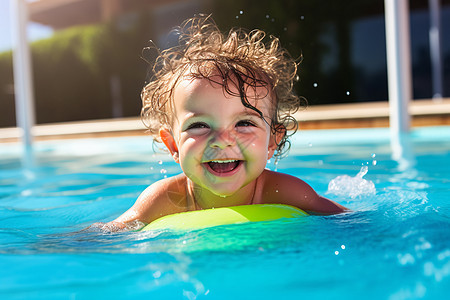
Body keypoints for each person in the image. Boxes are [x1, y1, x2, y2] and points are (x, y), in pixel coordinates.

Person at [94, 15, 348, 231]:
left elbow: (351, 222)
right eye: (199, 125)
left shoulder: (287, 193)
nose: (223, 139)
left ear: (272, 141)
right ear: (172, 144)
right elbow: (105, 236)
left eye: (244, 123)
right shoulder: (163, 200)